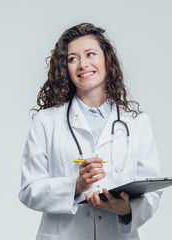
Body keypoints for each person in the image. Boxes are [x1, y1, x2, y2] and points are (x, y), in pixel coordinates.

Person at [18, 23, 161, 240]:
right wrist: (75, 186)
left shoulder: (136, 122)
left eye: (90, 54)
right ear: (65, 68)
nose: (83, 64)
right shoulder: (46, 121)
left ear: (106, 60)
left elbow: (151, 191)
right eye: (72, 59)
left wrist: (125, 209)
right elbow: (29, 190)